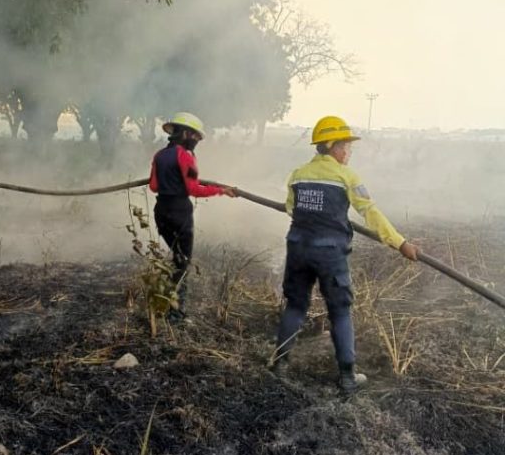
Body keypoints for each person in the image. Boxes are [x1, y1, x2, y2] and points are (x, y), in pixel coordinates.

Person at [272, 115, 420, 392]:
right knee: (340, 311)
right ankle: (348, 378)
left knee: (295, 305)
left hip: (298, 248)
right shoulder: (346, 176)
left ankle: (280, 364)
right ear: (333, 146)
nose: (349, 152)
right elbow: (370, 213)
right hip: (329, 253)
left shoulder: (298, 174)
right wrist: (401, 243)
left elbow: (291, 208)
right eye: (347, 146)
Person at [149, 112, 237, 319]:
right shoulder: (186, 156)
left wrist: (170, 180)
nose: (197, 140)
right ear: (185, 133)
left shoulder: (159, 155)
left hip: (161, 212)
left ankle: (166, 299)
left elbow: (153, 186)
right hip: (180, 214)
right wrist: (221, 191)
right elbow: (194, 189)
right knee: (183, 262)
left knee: (176, 256)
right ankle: (176, 313)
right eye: (196, 136)